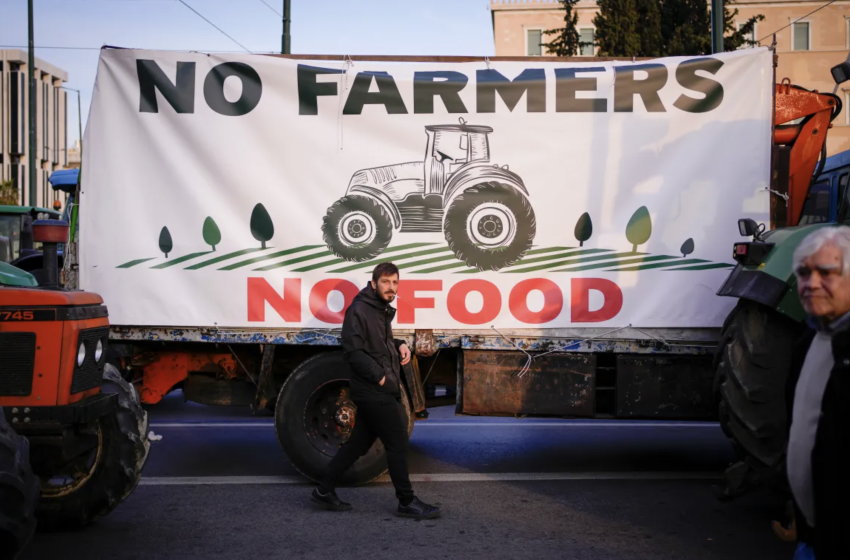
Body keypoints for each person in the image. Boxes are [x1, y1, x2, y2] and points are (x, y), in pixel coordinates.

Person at [310, 262, 440, 520]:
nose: (391, 288)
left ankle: (324, 490)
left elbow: (378, 344)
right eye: (386, 282)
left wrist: (400, 344)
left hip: (376, 388)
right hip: (373, 390)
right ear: (373, 284)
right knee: (397, 442)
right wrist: (380, 377)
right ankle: (406, 501)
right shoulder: (359, 310)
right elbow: (354, 352)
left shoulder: (379, 309)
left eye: (395, 283)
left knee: (357, 444)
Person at [786, 226, 850, 559]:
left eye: (826, 272)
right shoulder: (809, 341)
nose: (811, 283)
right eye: (803, 273)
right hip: (812, 536)